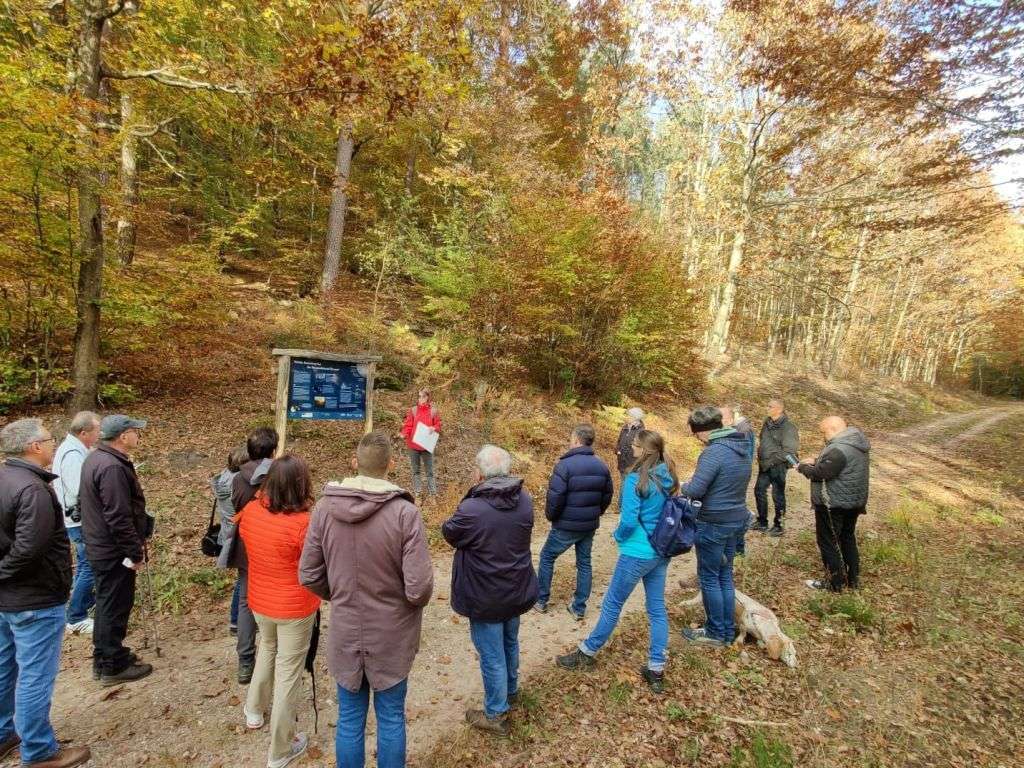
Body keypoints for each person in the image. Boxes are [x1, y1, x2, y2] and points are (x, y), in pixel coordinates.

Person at [299, 431, 433, 768]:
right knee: (391, 717)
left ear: (354, 462)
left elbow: (309, 574)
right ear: (392, 464)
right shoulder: (405, 514)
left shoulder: (324, 510)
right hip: (392, 635)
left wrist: (340, 594)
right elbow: (419, 589)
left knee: (349, 719)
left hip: (346, 629)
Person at [0, 419, 92, 768]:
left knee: (5, 668)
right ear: (34, 446)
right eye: (50, 439)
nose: (55, 444)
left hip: (9, 598)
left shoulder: (7, 479)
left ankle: (4, 734)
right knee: (35, 675)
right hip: (34, 598)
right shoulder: (32, 489)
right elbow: (29, 548)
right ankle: (39, 751)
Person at [557, 430, 677, 694]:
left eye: (634, 445)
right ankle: (656, 667)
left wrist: (618, 535)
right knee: (656, 608)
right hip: (660, 550)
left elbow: (629, 521)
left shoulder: (636, 479)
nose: (631, 448)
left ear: (642, 450)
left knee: (612, 604)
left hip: (637, 551)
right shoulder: (668, 475)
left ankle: (587, 651)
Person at [441, 445, 537, 736]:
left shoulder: (473, 509)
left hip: (485, 594)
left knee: (492, 654)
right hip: (516, 587)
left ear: (480, 474)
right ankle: (510, 690)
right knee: (509, 643)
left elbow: (449, 532)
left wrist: (471, 494)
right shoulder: (525, 500)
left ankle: (495, 712)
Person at [239, 454, 319, 768]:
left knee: (268, 648)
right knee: (289, 671)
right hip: (294, 606)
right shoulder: (303, 524)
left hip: (260, 599)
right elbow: (315, 563)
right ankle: (281, 748)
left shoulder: (251, 511)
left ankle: (254, 709)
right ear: (301, 485)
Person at [79, 414, 153, 686]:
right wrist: (134, 551)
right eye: (135, 431)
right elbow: (118, 516)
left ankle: (107, 657)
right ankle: (112, 665)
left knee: (107, 603)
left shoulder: (98, 458)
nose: (138, 436)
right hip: (113, 551)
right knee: (115, 605)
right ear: (123, 436)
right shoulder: (111, 467)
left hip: (102, 546)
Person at [678, 406, 753, 647]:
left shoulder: (714, 452)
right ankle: (727, 629)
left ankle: (715, 632)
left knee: (709, 578)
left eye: (696, 434)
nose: (697, 439)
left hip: (713, 522)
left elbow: (696, 489)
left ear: (703, 431)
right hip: (735, 519)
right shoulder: (742, 447)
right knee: (724, 576)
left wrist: (682, 486)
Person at [535, 424, 613, 620]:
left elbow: (555, 497)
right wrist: (597, 513)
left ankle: (541, 600)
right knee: (584, 563)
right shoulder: (602, 466)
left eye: (571, 438)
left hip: (566, 525)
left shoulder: (564, 465)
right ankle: (579, 607)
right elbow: (607, 495)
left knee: (547, 557)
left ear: (577, 440)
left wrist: (551, 516)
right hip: (588, 524)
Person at [220, 426, 278, 684]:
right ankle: (275, 652)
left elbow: (236, 507)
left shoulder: (236, 478)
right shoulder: (279, 476)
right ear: (273, 450)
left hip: (246, 545)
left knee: (246, 601)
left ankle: (245, 660)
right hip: (273, 544)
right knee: (278, 596)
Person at [797, 416, 870, 592]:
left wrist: (802, 467)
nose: (823, 436)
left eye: (824, 432)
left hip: (833, 504)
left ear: (833, 429)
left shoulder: (838, 448)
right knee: (847, 538)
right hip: (853, 502)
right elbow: (841, 465)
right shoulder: (855, 443)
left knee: (828, 542)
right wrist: (817, 460)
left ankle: (834, 583)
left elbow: (820, 474)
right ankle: (853, 580)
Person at [52, 410, 101, 635]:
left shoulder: (75, 450)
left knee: (84, 564)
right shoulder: (72, 454)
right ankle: (76, 616)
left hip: (77, 519)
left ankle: (82, 605)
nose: (99, 435)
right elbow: (80, 489)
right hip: (79, 521)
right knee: (90, 565)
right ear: (83, 433)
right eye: (96, 431)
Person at [211, 446, 249, 635]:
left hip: (230, 534)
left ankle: (238, 619)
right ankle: (236, 620)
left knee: (244, 577)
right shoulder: (237, 483)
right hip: (239, 536)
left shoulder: (225, 477)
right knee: (244, 578)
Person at [752, 398, 799, 537]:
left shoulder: (789, 427)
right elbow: (763, 441)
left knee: (777, 495)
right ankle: (762, 522)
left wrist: (771, 461)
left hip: (778, 465)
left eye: (770, 406)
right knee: (759, 491)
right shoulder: (767, 423)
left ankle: (779, 526)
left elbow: (789, 451)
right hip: (765, 464)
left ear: (779, 409)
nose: (767, 408)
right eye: (767, 406)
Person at [400, 389, 441, 500]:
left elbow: (438, 425)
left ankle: (433, 494)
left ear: (428, 397)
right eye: (419, 396)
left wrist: (434, 428)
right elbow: (408, 425)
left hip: (426, 445)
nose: (421, 399)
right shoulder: (413, 410)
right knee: (416, 471)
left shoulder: (433, 411)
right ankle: (418, 493)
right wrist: (404, 433)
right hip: (413, 445)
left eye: (423, 396)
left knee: (430, 471)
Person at [614, 408, 645, 477]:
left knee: (628, 480)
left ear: (635, 418)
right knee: (622, 479)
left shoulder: (641, 431)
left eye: (629, 415)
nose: (627, 417)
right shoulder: (625, 427)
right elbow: (619, 441)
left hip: (631, 464)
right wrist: (617, 450)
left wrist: (627, 454)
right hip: (622, 461)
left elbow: (639, 449)